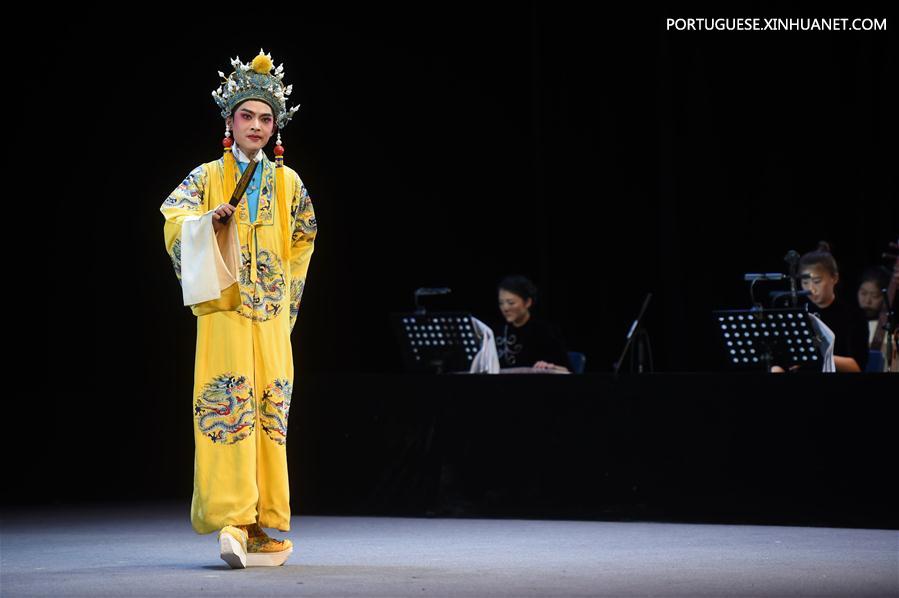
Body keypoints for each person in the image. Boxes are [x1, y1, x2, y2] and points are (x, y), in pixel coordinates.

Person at [159, 50, 317, 568]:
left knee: (269, 412)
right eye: (247, 116)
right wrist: (208, 223)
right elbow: (174, 221)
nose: (256, 126)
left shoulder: (289, 184)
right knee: (228, 408)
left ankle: (259, 523)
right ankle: (234, 520)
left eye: (265, 118)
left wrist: (283, 301)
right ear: (229, 122)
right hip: (225, 313)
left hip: (269, 316)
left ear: (275, 127)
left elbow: (303, 241)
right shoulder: (206, 176)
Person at [772, 242, 867, 373]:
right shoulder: (799, 313)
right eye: (805, 282)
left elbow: (856, 367)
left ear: (834, 278)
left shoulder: (853, 315)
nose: (811, 289)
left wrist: (817, 357)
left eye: (817, 281)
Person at [492, 275, 571, 372]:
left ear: (528, 302)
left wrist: (550, 367)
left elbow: (567, 370)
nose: (505, 308)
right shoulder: (498, 332)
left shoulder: (545, 331)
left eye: (511, 303)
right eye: (501, 303)